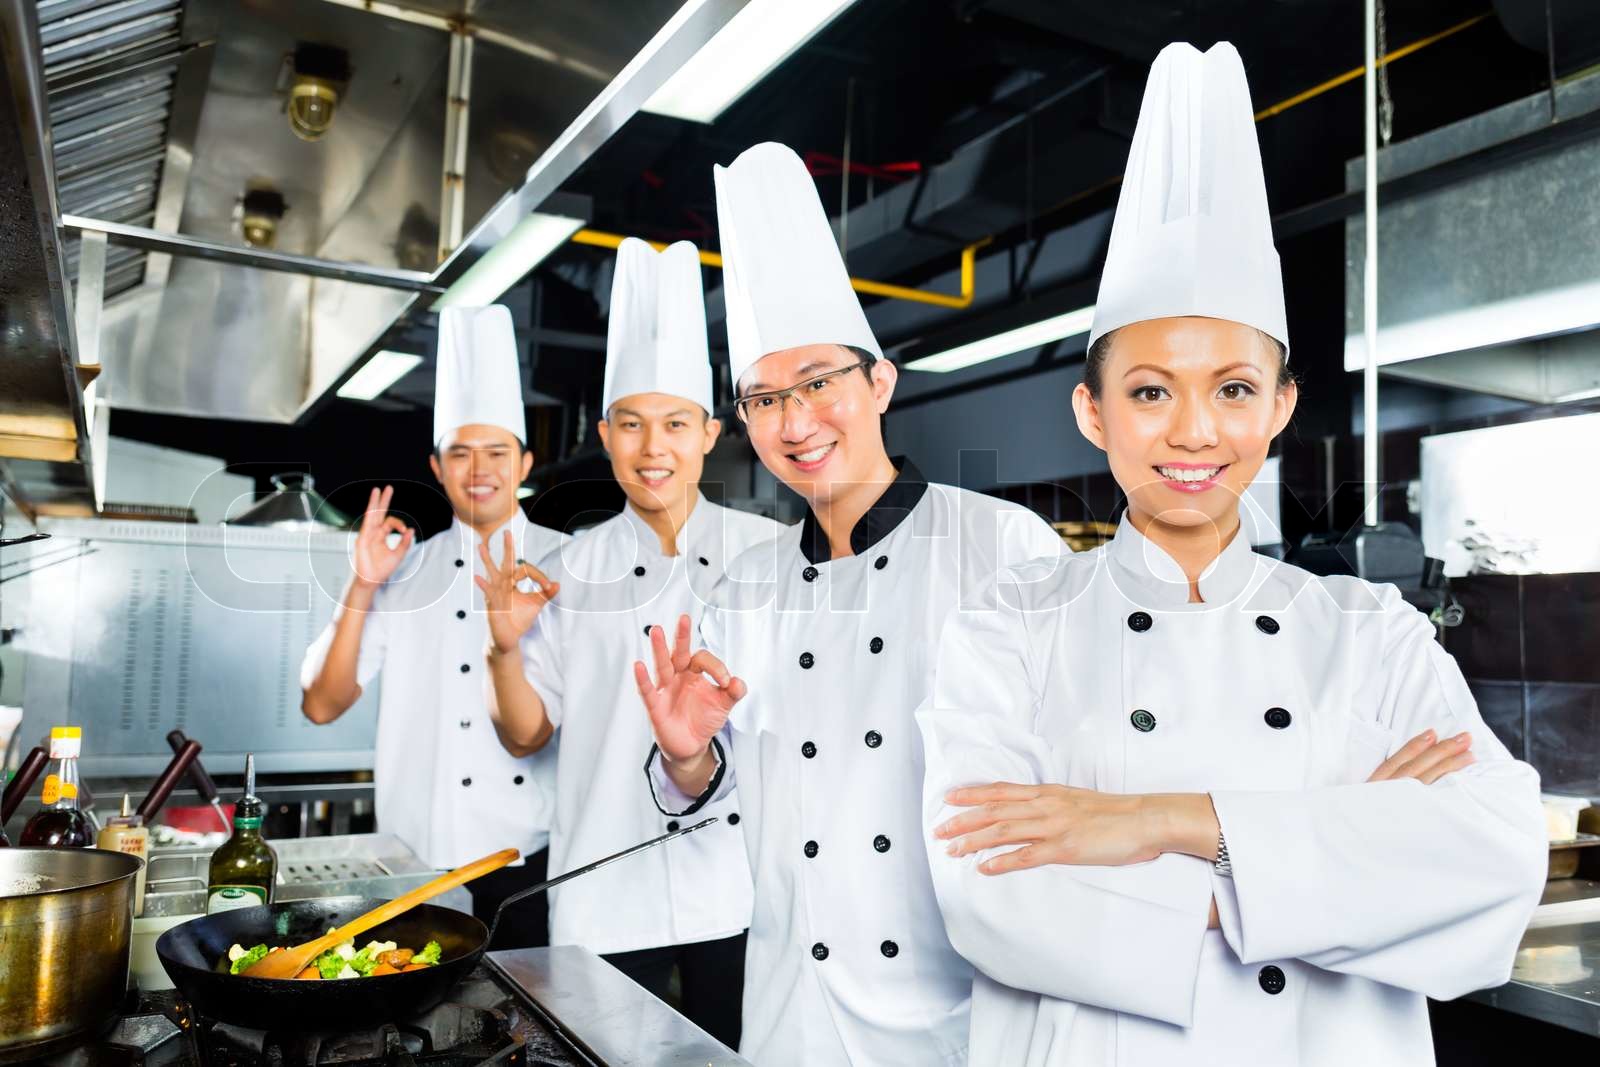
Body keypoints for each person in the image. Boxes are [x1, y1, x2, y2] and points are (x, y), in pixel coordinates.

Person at [917, 42, 1547, 1066]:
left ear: (1281, 406)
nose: (1194, 431)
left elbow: (1499, 855)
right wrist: (1336, 838)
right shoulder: (1004, 627)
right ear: (1092, 410)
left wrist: (1159, 819)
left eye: (1235, 389)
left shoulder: (1366, 627)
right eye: (1150, 390)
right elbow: (991, 893)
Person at [632, 142, 1064, 1066]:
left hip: (960, 1010)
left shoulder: (1005, 548)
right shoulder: (743, 591)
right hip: (791, 1003)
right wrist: (686, 754)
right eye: (764, 398)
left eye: (819, 382)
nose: (795, 422)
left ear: (879, 381)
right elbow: (707, 804)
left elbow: (1079, 781)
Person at [477, 238, 779, 1048]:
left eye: (676, 423)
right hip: (602, 884)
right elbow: (526, 732)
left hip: (743, 887)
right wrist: (505, 647)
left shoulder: (771, 556)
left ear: (711, 433)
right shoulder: (565, 569)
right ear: (606, 434)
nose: (655, 449)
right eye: (634, 425)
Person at [300, 305, 567, 948]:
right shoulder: (404, 570)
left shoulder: (566, 565)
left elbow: (536, 734)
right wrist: (361, 584)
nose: (480, 470)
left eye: (496, 452)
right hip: (411, 860)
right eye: (461, 454)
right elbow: (322, 704)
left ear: (525, 463)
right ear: (438, 465)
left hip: (523, 859)